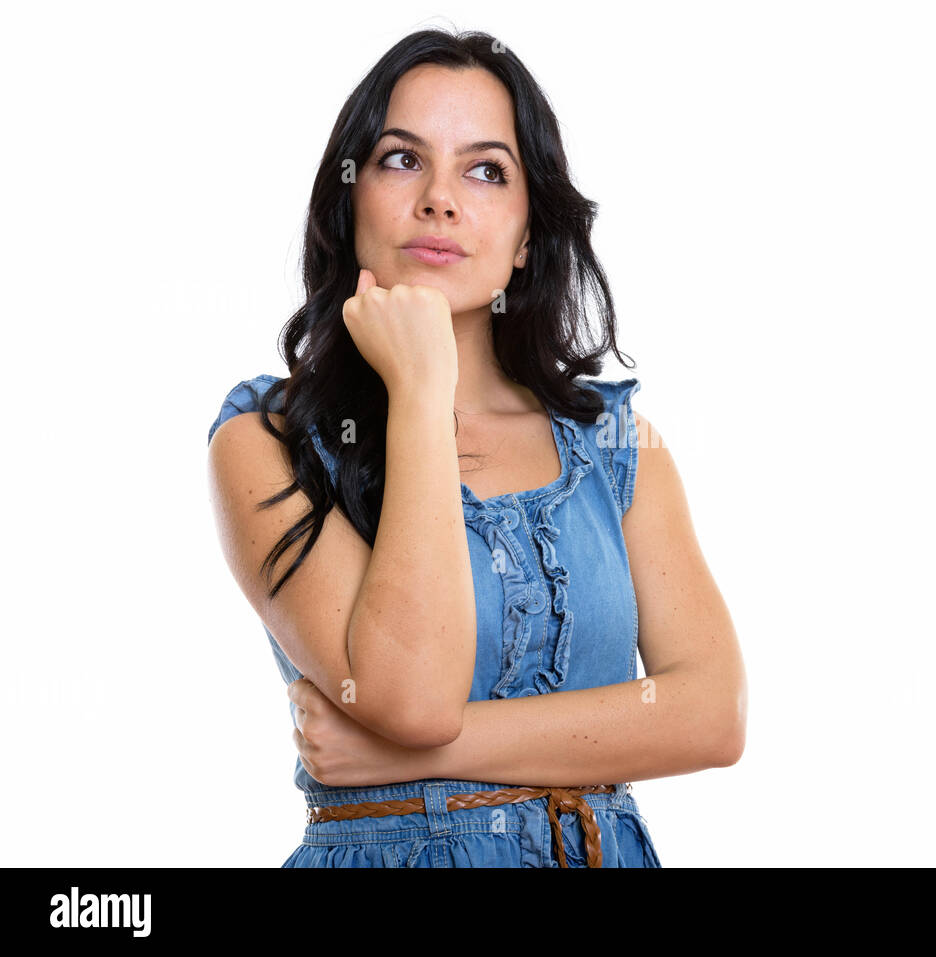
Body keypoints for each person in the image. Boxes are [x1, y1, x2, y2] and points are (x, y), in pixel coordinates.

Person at [205, 28, 745, 868]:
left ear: (528, 236)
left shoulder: (615, 447)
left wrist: (407, 758)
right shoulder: (264, 440)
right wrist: (421, 391)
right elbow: (411, 698)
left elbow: (712, 714)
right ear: (350, 202)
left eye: (487, 170)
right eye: (400, 159)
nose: (441, 200)